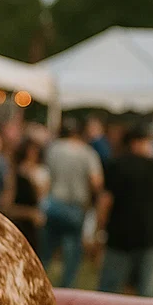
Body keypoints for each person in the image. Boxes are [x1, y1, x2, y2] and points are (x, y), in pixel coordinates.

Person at [96, 125, 153, 297]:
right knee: (146, 289)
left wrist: (100, 228)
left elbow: (105, 201)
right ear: (137, 143)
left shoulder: (114, 165)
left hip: (119, 235)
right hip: (150, 235)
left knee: (109, 289)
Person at [42, 117, 103, 288]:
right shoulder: (88, 153)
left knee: (46, 252)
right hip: (76, 207)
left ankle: (37, 285)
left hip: (53, 203)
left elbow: (46, 177)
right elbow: (96, 182)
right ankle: (65, 289)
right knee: (72, 256)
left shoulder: (53, 149)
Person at [5, 138, 47, 256]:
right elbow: (7, 207)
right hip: (18, 226)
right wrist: (29, 213)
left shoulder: (40, 173)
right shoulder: (14, 177)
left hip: (32, 230)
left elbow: (41, 199)